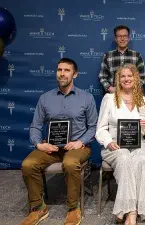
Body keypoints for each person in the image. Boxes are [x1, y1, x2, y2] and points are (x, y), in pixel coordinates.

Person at [21, 58, 98, 225]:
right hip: (51, 147)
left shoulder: (86, 98)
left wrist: (80, 142)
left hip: (78, 146)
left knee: (70, 163)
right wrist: (39, 144)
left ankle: (73, 208)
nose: (62, 73)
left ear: (75, 74)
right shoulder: (45, 98)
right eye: (59, 70)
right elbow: (35, 126)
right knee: (28, 164)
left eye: (67, 70)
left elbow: (93, 127)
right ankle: (39, 207)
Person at [96, 64, 145, 225]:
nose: (126, 79)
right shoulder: (109, 99)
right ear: (118, 79)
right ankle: (132, 211)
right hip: (115, 145)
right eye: (123, 76)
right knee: (124, 158)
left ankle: (127, 210)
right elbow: (100, 129)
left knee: (143, 161)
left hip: (139, 143)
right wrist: (108, 142)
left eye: (130, 76)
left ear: (136, 78)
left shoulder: (144, 101)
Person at [99, 25, 145, 93]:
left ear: (128, 38)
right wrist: (110, 88)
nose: (122, 39)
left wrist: (132, 89)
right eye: (119, 36)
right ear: (115, 39)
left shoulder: (137, 56)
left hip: (132, 95)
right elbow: (102, 76)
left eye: (125, 36)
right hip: (113, 95)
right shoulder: (107, 56)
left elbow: (143, 77)